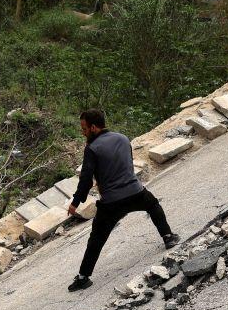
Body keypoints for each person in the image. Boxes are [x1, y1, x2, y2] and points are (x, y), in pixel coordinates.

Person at [66, 109, 179, 292]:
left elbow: (86, 180)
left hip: (111, 202)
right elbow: (127, 164)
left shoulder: (92, 149)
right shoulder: (123, 138)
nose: (82, 132)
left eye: (84, 128)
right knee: (153, 204)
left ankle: (83, 277)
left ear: (94, 127)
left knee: (96, 239)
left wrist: (75, 203)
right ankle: (168, 237)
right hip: (135, 192)